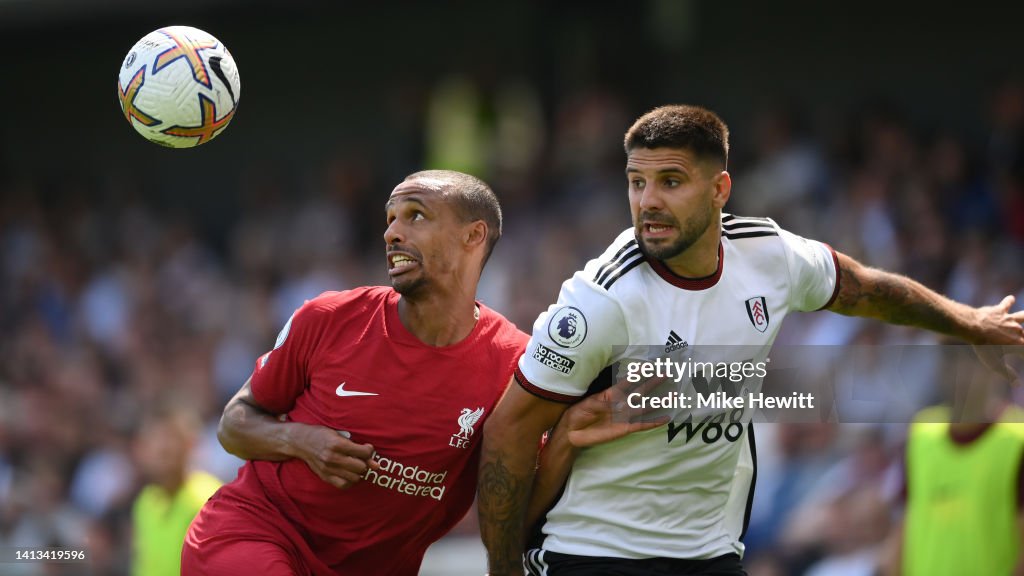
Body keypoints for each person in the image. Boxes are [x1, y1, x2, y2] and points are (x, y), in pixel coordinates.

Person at [478, 104, 1024, 576]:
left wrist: (969, 322)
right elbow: (508, 431)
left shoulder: (771, 256)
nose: (647, 201)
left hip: (710, 553)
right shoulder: (601, 301)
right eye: (636, 182)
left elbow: (870, 290)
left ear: (720, 190)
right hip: (596, 552)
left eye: (670, 181)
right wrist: (505, 569)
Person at [180, 169, 647, 576]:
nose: (392, 233)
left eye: (415, 216)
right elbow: (234, 423)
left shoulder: (515, 364)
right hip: (254, 534)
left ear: (473, 236)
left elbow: (518, 495)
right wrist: (301, 441)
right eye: (390, 219)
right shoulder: (328, 317)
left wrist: (568, 437)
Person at [882, 354, 1024, 576]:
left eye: (973, 360)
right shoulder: (920, 432)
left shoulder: (1018, 440)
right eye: (951, 357)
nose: (961, 370)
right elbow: (905, 526)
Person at [131, 403, 221, 576]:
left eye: (171, 438)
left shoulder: (210, 500)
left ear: (190, 445)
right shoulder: (145, 502)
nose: (163, 448)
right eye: (155, 439)